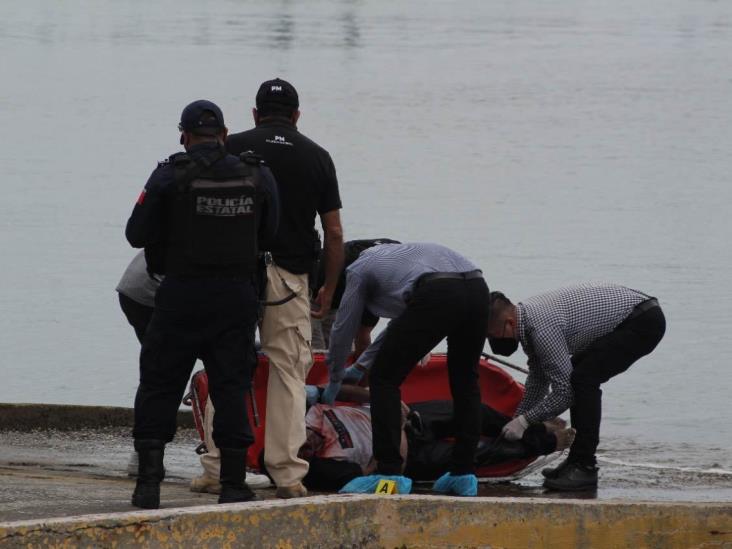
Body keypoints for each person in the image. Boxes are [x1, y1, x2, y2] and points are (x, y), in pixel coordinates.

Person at [125, 99, 279, 509]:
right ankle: (232, 485)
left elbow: (135, 234)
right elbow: (271, 234)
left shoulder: (168, 175)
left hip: (180, 295)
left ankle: (148, 486)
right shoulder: (256, 174)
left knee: (159, 383)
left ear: (184, 136)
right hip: (235, 297)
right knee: (231, 387)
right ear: (225, 135)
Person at [226, 78, 344, 499]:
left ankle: (217, 467)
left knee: (226, 364)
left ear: (255, 113)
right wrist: (328, 289)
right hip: (291, 277)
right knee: (290, 371)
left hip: (234, 272)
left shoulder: (232, 144)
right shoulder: (317, 156)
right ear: (296, 116)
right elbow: (333, 232)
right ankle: (287, 473)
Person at [322, 242, 491, 496]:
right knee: (465, 379)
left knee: (384, 379)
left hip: (439, 290)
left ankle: (389, 474)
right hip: (478, 288)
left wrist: (335, 376)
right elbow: (397, 329)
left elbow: (344, 327)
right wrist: (360, 366)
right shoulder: (395, 261)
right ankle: (463, 473)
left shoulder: (356, 269)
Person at [485, 282, 666, 491]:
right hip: (631, 317)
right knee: (578, 374)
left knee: (583, 380)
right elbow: (538, 378)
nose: (493, 342)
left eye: (493, 335)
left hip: (642, 321)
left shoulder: (542, 329)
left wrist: (525, 421)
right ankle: (575, 462)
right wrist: (518, 417)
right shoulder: (526, 322)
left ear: (508, 323)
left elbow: (564, 394)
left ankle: (584, 466)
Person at [300, 387, 574, 491]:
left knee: (472, 411)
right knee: (475, 452)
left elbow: (335, 388)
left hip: (411, 415)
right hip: (407, 456)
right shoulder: (324, 467)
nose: (308, 445)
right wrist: (396, 440)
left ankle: (534, 428)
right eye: (303, 452)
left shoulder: (308, 410)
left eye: (303, 440)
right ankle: (548, 443)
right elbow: (372, 474)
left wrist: (380, 396)